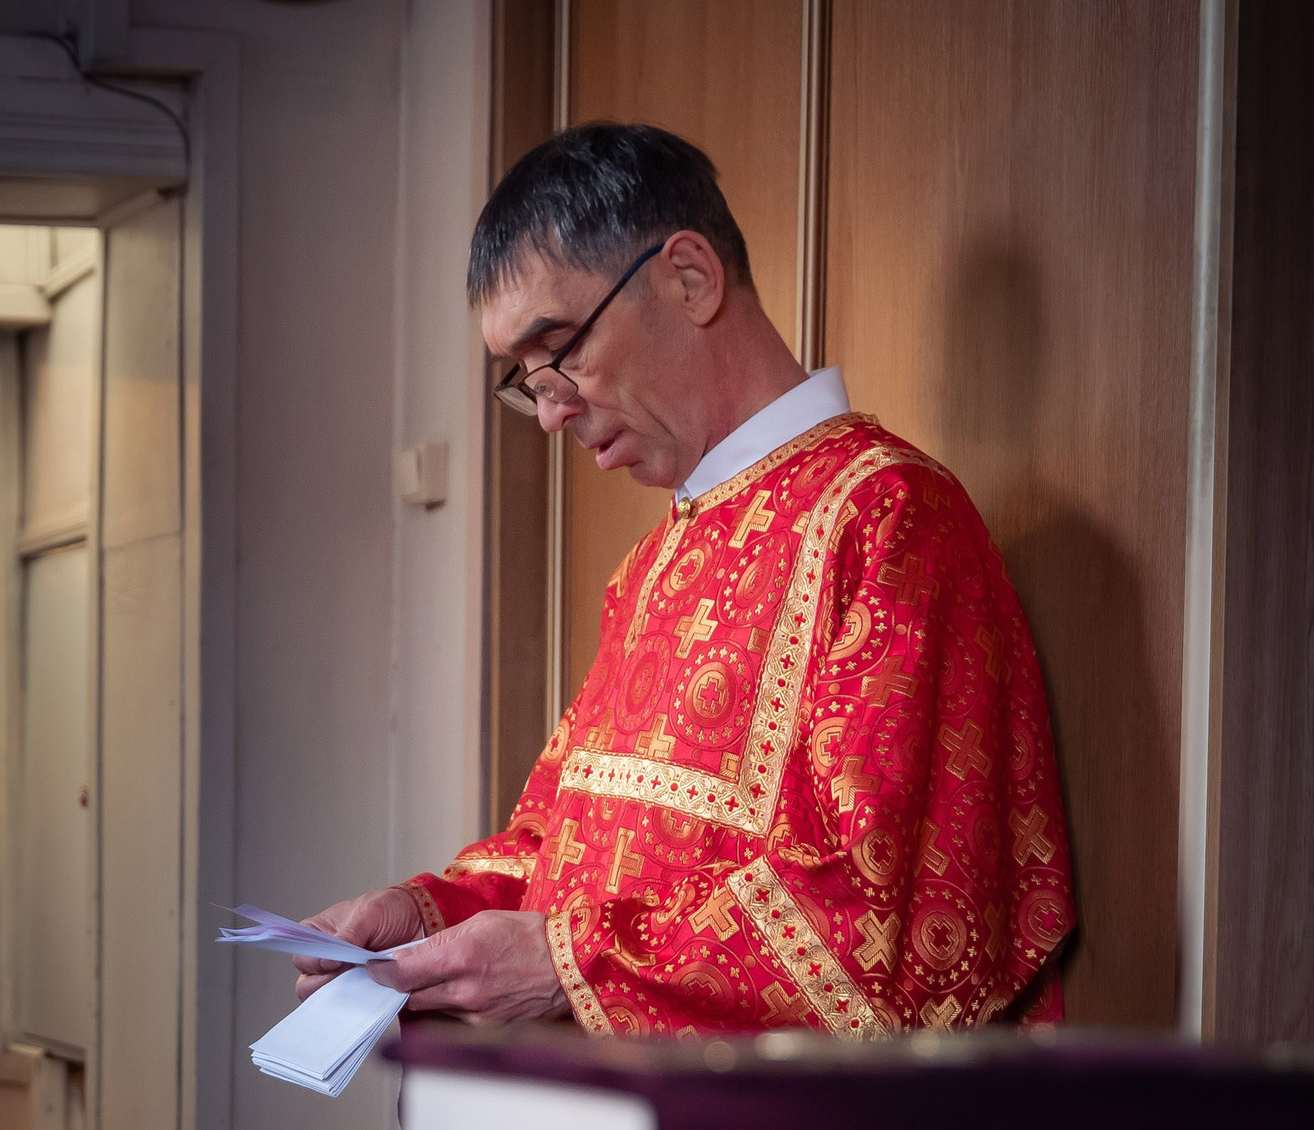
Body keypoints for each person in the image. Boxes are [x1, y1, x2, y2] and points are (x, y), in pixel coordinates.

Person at [299, 124, 1075, 1037]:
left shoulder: (888, 518)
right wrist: (431, 914)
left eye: (560, 350)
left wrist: (564, 967)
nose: (549, 411)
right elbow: (560, 851)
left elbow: (884, 927)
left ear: (690, 278)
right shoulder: (650, 566)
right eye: (525, 380)